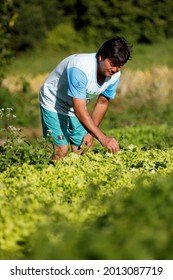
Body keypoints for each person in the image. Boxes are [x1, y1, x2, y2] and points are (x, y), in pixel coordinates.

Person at [39, 36, 132, 160]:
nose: (115, 69)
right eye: (112, 64)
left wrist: (91, 134)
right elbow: (80, 110)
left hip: (76, 105)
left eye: (119, 66)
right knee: (61, 150)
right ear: (101, 57)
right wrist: (102, 138)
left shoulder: (115, 75)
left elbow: (102, 103)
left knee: (83, 149)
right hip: (54, 103)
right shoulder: (80, 69)